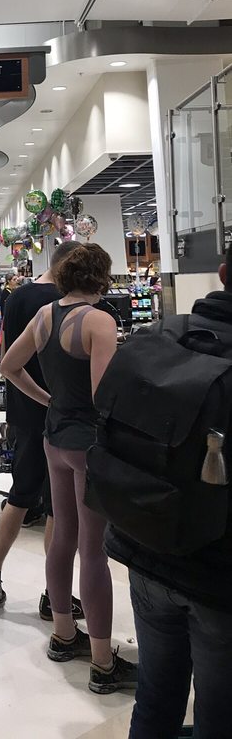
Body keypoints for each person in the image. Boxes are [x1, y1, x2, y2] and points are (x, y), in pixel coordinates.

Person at [104, 247, 232, 738]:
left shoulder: (163, 336)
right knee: (219, 716)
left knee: (156, 697)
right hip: (217, 576)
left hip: (146, 547)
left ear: (222, 274)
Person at [0, 243, 138, 695]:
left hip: (54, 439)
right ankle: (102, 662)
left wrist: (49, 400)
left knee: (62, 538)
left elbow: (9, 365)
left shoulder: (45, 316)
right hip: (87, 445)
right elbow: (102, 395)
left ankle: (63, 634)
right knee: (93, 551)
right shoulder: (99, 322)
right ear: (101, 278)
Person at [0, 240, 83, 619]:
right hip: (60, 415)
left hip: (22, 410)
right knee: (58, 507)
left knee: (20, 494)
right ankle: (54, 593)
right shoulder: (68, 302)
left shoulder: (18, 297)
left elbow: (7, 353)